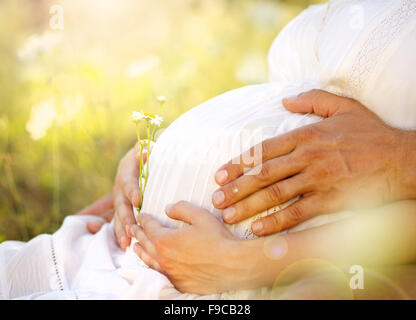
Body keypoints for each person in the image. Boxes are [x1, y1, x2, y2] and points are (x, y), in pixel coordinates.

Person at [1, 0, 416, 299]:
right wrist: (158, 160)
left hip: (211, 285)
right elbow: (284, 111)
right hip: (116, 251)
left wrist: (248, 262)